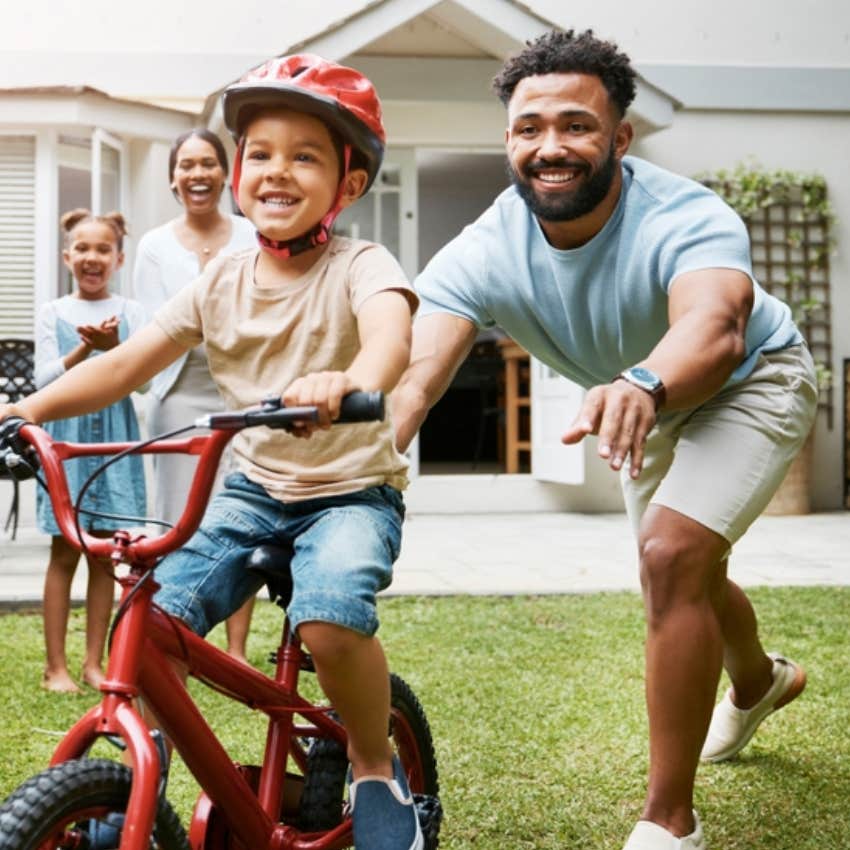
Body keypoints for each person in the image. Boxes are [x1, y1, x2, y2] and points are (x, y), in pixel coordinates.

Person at [392, 29, 816, 850]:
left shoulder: (686, 213)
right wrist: (378, 445)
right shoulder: (484, 248)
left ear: (620, 136)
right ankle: (759, 681)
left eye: (577, 127)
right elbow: (419, 373)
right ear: (508, 139)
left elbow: (717, 326)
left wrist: (643, 383)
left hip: (748, 381)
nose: (550, 148)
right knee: (685, 567)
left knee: (669, 557)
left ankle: (669, 822)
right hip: (641, 400)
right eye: (528, 128)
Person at [2, 54, 423, 850]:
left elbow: (391, 337)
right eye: (260, 152)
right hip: (254, 486)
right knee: (154, 622)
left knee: (330, 620)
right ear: (236, 173)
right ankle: (140, 775)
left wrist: (351, 379)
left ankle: (373, 767)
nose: (277, 170)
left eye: (306, 155)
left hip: (350, 491)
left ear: (350, 185)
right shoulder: (220, 277)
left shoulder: (361, 264)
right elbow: (127, 362)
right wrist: (27, 407)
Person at [132, 128, 257, 664]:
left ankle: (235, 648)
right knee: (176, 520)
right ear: (173, 178)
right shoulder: (154, 245)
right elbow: (152, 325)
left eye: (207, 163)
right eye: (187, 165)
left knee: (242, 512)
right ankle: (175, 634)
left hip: (243, 395)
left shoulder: (253, 235)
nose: (197, 174)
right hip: (178, 395)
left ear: (225, 174)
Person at [35, 209, 147, 693]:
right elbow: (41, 381)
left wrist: (116, 345)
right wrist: (86, 350)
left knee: (107, 556)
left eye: (103, 249)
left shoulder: (132, 311)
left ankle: (93, 663)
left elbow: (143, 380)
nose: (91, 257)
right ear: (67, 257)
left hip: (114, 443)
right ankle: (54, 666)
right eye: (82, 248)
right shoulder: (53, 312)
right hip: (69, 443)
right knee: (65, 552)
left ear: (118, 258)